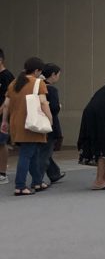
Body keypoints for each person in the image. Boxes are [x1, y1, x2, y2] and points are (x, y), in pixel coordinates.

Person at [3, 57, 51, 196]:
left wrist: (4, 122)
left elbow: (6, 105)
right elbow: (43, 103)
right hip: (31, 123)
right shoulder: (38, 83)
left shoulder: (14, 83)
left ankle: (37, 181)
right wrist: (50, 118)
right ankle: (20, 186)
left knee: (33, 152)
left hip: (16, 123)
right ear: (36, 71)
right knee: (26, 154)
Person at [38, 63, 65, 185]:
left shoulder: (37, 86)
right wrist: (59, 106)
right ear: (53, 74)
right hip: (49, 124)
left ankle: (54, 173)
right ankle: (38, 179)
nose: (58, 77)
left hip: (38, 122)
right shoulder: (51, 89)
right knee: (45, 152)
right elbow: (54, 108)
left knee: (44, 151)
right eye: (58, 75)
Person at [0, 47, 13, 184]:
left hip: (2, 117)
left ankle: (2, 173)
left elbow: (8, 99)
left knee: (1, 143)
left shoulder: (7, 76)